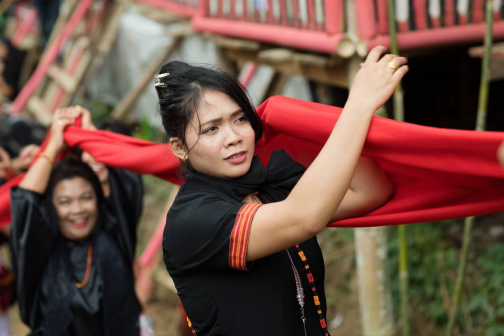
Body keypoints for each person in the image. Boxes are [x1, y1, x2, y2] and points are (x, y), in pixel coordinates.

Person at [156, 45, 408, 335]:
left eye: (239, 119)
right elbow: (303, 217)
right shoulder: (192, 220)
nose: (234, 137)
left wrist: (326, 124)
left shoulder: (271, 185)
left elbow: (371, 191)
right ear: (179, 147)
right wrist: (358, 107)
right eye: (211, 129)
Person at [10, 108, 143, 336]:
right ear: (51, 207)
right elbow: (24, 203)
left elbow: (127, 181)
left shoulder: (115, 232)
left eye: (86, 197)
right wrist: (53, 146)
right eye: (65, 201)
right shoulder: (38, 252)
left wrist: (90, 133)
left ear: (98, 200)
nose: (78, 210)